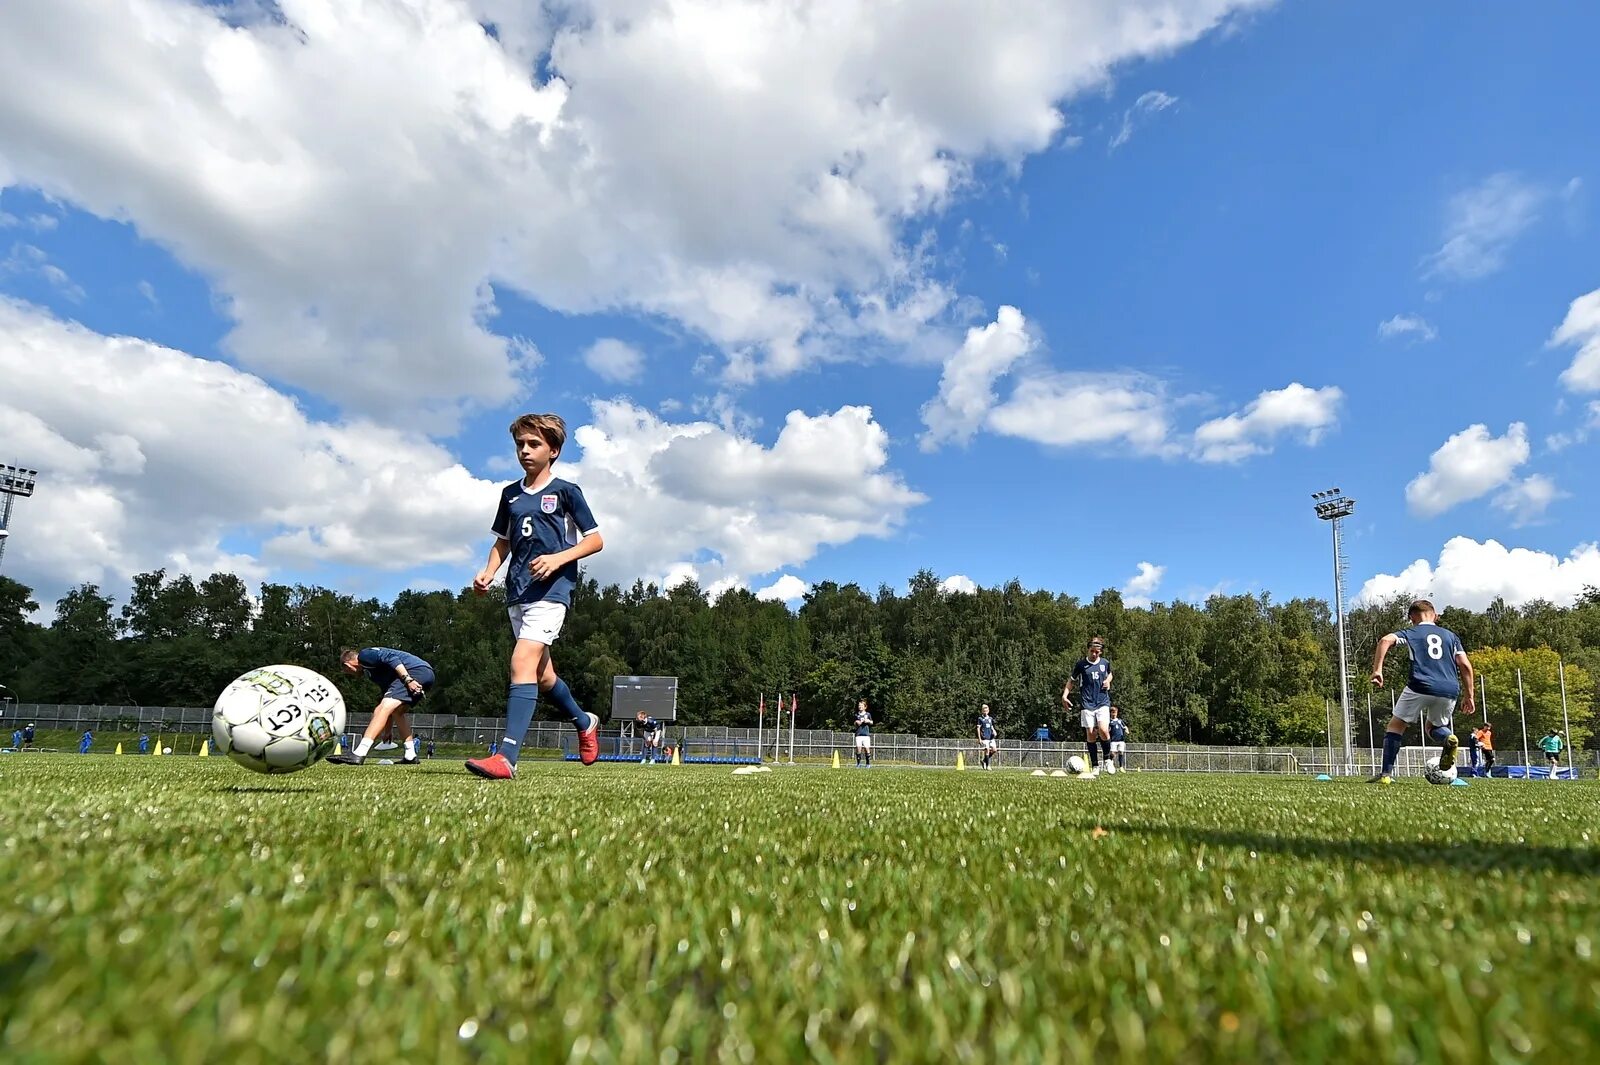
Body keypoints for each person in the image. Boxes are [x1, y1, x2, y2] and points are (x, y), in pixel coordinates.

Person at [463, 415, 603, 781]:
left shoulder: (567, 491)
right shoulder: (509, 495)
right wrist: (488, 571)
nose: (525, 450)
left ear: (553, 450)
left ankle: (506, 757)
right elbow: (504, 541)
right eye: (520, 444)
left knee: (521, 660)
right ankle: (584, 721)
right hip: (518, 592)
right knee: (543, 676)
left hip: (553, 591)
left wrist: (558, 558)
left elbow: (595, 540)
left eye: (534, 444)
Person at [1368, 599, 1475, 784]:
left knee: (1396, 726)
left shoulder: (1412, 632)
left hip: (1420, 684)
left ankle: (1385, 774)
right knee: (1434, 727)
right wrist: (1470, 695)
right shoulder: (1451, 636)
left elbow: (1385, 640)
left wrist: (1377, 670)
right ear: (1434, 615)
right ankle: (1448, 738)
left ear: (1412, 618)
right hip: (1449, 688)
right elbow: (1465, 665)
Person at [327, 647, 434, 766]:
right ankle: (410, 755)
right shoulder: (374, 673)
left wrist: (408, 680)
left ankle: (360, 753)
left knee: (381, 708)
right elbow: (388, 702)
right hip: (425, 672)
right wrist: (387, 730)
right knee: (397, 711)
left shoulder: (364, 655)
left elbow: (392, 658)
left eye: (349, 673)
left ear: (348, 665)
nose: (353, 675)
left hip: (414, 672)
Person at [1063, 637, 1113, 775]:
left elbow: (1110, 675)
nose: (1094, 654)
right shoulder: (1081, 665)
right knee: (1091, 734)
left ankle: (1108, 759)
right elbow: (1071, 681)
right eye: (1092, 651)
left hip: (1102, 701)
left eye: (1097, 652)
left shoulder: (1105, 663)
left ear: (1100, 652)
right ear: (1088, 649)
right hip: (1087, 703)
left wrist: (1108, 681)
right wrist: (1064, 695)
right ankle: (1095, 766)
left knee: (1103, 730)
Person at [976, 704, 999, 770]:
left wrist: (994, 731)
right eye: (984, 711)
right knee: (987, 749)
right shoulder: (980, 719)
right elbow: (978, 728)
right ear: (982, 711)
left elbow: (991, 726)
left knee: (994, 750)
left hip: (991, 737)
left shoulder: (990, 718)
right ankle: (988, 766)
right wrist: (979, 739)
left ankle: (984, 761)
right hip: (984, 737)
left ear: (988, 711)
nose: (985, 712)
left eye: (986, 710)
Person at [853, 700, 874, 768]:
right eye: (859, 705)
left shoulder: (868, 714)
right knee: (858, 749)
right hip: (858, 734)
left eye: (861, 705)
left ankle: (868, 764)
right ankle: (858, 764)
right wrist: (857, 722)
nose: (860, 707)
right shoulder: (856, 714)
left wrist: (868, 721)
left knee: (866, 748)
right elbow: (854, 723)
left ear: (865, 707)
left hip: (866, 735)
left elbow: (872, 722)